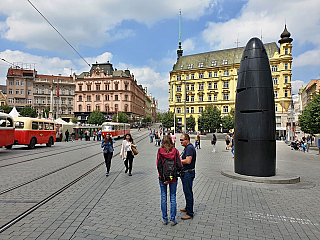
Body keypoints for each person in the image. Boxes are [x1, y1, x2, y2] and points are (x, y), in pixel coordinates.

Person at [157, 135, 183, 226]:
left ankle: (164, 219)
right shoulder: (175, 151)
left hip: (163, 177)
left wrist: (162, 177)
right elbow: (179, 165)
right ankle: (173, 219)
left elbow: (158, 165)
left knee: (163, 197)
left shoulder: (160, 151)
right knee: (173, 197)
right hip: (173, 178)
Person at [179, 133, 196, 220]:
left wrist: (178, 161)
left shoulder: (189, 148)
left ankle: (190, 213)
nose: (180, 142)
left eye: (182, 140)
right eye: (180, 140)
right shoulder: (188, 148)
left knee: (188, 192)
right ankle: (187, 207)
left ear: (187, 140)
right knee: (186, 191)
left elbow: (188, 161)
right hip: (187, 173)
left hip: (188, 173)